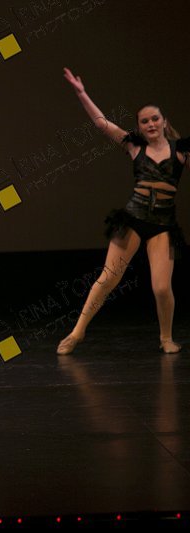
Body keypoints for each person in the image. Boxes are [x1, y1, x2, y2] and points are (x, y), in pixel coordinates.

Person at [57, 68, 188, 355]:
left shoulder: (181, 150)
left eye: (155, 119)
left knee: (161, 288)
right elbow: (102, 124)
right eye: (145, 121)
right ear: (139, 127)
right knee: (108, 278)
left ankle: (166, 338)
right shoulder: (134, 146)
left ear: (164, 122)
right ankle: (77, 332)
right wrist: (82, 93)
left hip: (163, 225)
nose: (151, 124)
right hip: (132, 220)